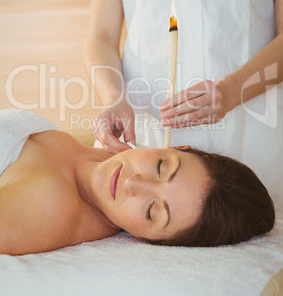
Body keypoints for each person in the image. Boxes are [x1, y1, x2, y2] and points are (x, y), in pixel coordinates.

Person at [76, 0, 283, 211]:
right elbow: (100, 36)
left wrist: (229, 92)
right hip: (147, 141)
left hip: (251, 133)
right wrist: (113, 97)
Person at [0, 110, 275, 255]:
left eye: (151, 211)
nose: (133, 183)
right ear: (177, 146)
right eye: (160, 166)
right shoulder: (97, 155)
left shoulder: (52, 206)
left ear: (147, 238)